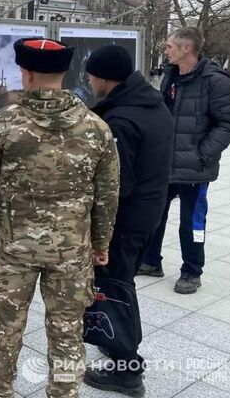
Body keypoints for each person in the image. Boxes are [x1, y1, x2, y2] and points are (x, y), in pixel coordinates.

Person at [0, 37, 120, 398]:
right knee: (67, 330)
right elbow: (108, 194)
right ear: (63, 74)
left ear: (27, 74)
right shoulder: (96, 127)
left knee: (5, 329)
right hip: (71, 252)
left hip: (13, 250)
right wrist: (101, 243)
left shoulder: (2, 124)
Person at [83, 45, 173, 397]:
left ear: (105, 78)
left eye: (91, 75)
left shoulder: (121, 120)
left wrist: (97, 230)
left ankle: (126, 368)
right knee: (121, 281)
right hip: (148, 210)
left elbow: (116, 185)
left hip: (126, 218)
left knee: (116, 286)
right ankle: (114, 342)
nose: (89, 81)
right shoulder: (149, 103)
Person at [140, 28, 230, 294]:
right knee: (154, 215)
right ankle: (151, 261)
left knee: (191, 221)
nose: (165, 49)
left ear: (186, 48)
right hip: (164, 164)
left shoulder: (215, 81)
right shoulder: (170, 76)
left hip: (195, 167)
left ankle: (191, 271)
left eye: (170, 45)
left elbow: (228, 123)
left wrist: (203, 154)